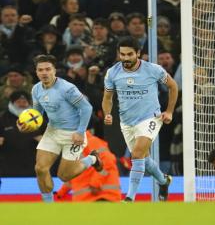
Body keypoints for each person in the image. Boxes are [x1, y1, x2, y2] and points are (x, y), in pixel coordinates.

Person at [17, 54, 102, 202]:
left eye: (48, 69)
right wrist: (27, 125)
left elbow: (87, 108)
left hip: (73, 134)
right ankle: (49, 208)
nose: (44, 73)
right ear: (36, 72)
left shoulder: (67, 88)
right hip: (53, 131)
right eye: (40, 70)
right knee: (40, 169)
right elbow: (38, 114)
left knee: (64, 176)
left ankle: (93, 159)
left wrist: (81, 132)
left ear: (54, 70)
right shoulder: (36, 89)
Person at [102, 37, 178, 202]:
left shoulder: (153, 70)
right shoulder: (112, 73)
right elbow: (107, 97)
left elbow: (173, 86)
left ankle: (129, 198)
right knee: (143, 159)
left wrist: (169, 112)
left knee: (136, 154)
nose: (126, 58)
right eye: (122, 54)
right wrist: (107, 113)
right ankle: (164, 181)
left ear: (138, 53)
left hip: (150, 117)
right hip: (127, 122)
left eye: (130, 54)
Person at [55, 130, 121, 202]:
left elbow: (107, 161)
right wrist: (59, 194)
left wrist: (95, 183)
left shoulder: (92, 142)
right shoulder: (75, 149)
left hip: (102, 197)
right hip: (87, 201)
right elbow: (73, 177)